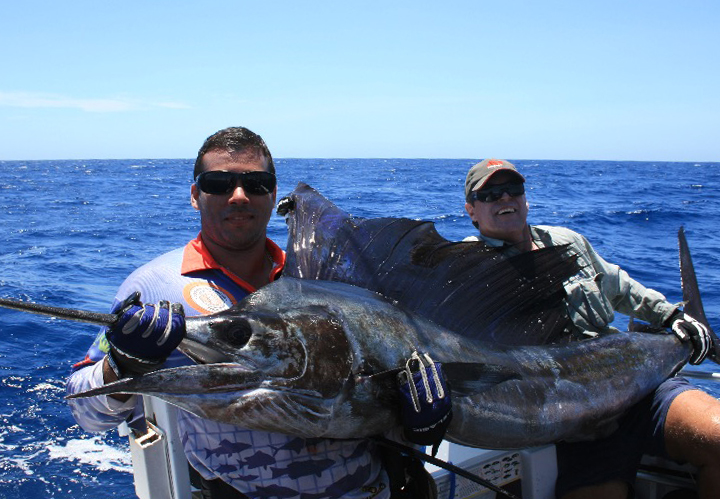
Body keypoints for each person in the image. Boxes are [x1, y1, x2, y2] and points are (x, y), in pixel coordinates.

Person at [67, 127, 402, 499]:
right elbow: (87, 413)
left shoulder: (321, 282)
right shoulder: (151, 289)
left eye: (256, 183)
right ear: (195, 195)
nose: (239, 196)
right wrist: (124, 364)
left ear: (273, 195)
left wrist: (419, 420)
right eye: (218, 183)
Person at [463, 158, 720, 499]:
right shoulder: (467, 266)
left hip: (639, 386)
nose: (505, 198)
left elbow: (620, 287)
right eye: (491, 194)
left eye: (514, 189)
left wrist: (673, 318)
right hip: (572, 423)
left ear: (526, 199)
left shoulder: (566, 241)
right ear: (472, 211)